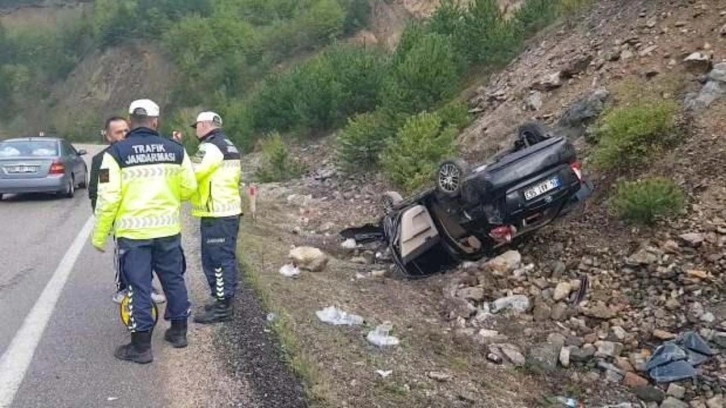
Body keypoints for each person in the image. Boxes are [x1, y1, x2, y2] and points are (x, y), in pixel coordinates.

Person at [92, 99, 197, 364]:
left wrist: (100, 235)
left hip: (133, 234)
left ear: (130, 122)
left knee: (138, 287)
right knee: (173, 279)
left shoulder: (115, 154)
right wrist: (167, 196)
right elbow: (189, 188)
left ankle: (141, 347)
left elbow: (107, 199)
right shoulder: (176, 150)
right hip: (168, 230)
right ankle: (179, 333)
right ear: (155, 122)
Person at [89, 116, 166, 305]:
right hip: (120, 217)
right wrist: (104, 221)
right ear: (108, 136)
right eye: (118, 132)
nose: (124, 135)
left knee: (148, 254)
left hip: (145, 214)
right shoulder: (103, 159)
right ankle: (123, 287)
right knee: (124, 255)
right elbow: (97, 192)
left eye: (126, 130)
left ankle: (147, 286)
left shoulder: (141, 152)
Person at [177, 111, 242, 324]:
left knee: (218, 261)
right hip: (226, 209)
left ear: (204, 125)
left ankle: (223, 307)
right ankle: (222, 300)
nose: (195, 130)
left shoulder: (210, 147)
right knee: (220, 258)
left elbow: (193, 172)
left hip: (217, 212)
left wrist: (178, 156)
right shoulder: (228, 144)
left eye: (196, 126)